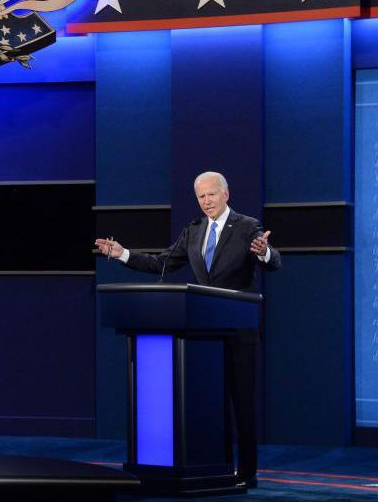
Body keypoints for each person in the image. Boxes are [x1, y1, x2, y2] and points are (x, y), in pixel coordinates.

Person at [95, 171, 280, 488]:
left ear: (226, 194)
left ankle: (247, 474)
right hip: (202, 337)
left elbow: (272, 261)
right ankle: (214, 467)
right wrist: (122, 254)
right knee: (211, 405)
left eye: (211, 194)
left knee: (242, 407)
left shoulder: (247, 226)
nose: (206, 201)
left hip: (237, 334)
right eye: (201, 197)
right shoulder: (194, 231)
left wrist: (263, 251)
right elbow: (162, 263)